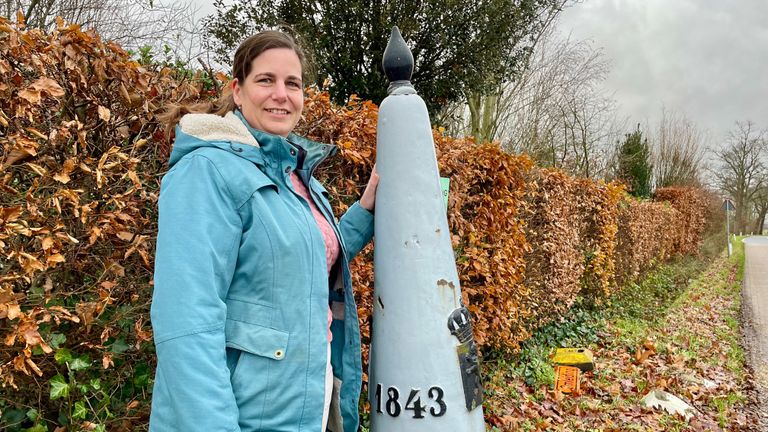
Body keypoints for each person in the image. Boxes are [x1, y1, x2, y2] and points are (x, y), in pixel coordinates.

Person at [149, 30, 378, 432]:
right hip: (248, 412)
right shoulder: (207, 170)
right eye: (266, 80)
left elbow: (308, 259)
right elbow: (187, 320)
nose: (281, 94)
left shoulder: (296, 177)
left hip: (309, 393)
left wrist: (366, 209)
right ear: (238, 91)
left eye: (293, 83)